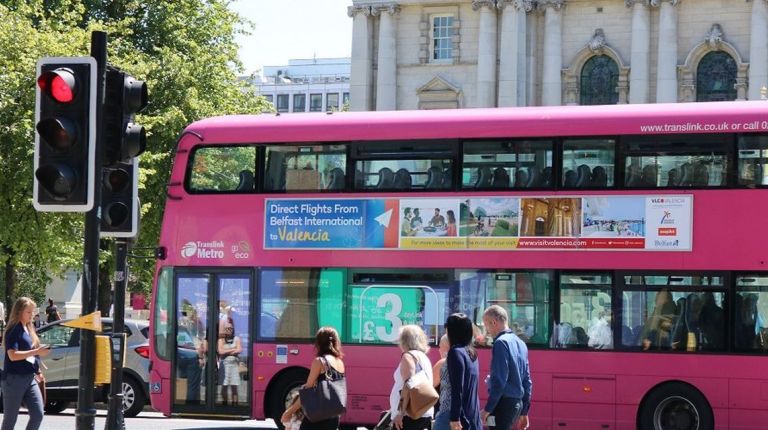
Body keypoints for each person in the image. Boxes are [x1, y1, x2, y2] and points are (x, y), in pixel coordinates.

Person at [281, 327, 345, 430]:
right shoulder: (340, 363)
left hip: (318, 416)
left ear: (318, 343)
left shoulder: (319, 361)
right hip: (334, 417)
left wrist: (289, 411)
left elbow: (307, 391)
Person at [1, 297, 51, 430]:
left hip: (30, 378)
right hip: (14, 379)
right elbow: (12, 356)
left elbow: (31, 354)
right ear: (19, 312)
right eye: (28, 312)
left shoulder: (29, 328)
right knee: (10, 420)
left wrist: (38, 371)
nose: (32, 314)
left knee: (38, 414)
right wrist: (37, 351)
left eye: (32, 311)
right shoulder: (13, 330)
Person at [481, 305, 532, 430]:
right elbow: (527, 381)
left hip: (502, 404)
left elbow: (499, 380)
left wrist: (488, 408)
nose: (486, 331)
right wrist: (524, 411)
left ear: (494, 322)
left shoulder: (500, 343)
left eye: (486, 325)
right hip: (516, 404)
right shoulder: (521, 343)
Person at [390, 325, 433, 430]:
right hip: (424, 411)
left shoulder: (408, 356)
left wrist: (400, 412)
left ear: (404, 341)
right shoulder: (423, 357)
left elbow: (409, 385)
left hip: (409, 415)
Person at [444, 314, 483, 430]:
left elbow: (457, 388)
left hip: (462, 418)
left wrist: (455, 418)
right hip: (473, 414)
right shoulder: (471, 352)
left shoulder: (455, 352)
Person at [218, 318, 242, 405]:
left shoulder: (237, 338)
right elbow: (220, 351)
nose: (230, 330)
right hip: (224, 366)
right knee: (224, 387)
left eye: (231, 328)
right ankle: (225, 404)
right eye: (227, 328)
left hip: (234, 366)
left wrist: (226, 351)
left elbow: (239, 350)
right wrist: (233, 350)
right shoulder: (221, 340)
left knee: (234, 388)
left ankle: (235, 405)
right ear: (224, 330)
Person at [431, 335, 450, 430]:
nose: (439, 350)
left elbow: (429, 386)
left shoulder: (443, 363)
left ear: (447, 347)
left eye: (440, 346)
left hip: (444, 412)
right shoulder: (466, 360)